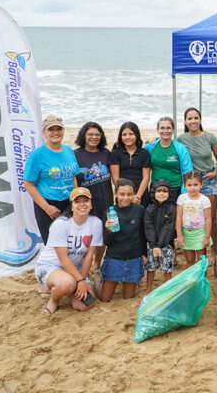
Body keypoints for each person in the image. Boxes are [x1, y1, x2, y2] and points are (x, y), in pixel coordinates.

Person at [33, 187, 102, 317]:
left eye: (86, 201)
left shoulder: (96, 223)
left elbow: (88, 257)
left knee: (84, 305)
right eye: (77, 201)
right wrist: (80, 281)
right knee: (67, 283)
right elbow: (63, 259)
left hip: (76, 267)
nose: (82, 204)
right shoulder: (61, 224)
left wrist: (81, 280)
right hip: (51, 265)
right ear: (71, 206)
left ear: (91, 204)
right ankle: (54, 301)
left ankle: (71, 288)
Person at [24, 115, 79, 244]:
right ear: (44, 132)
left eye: (59, 129)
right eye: (51, 129)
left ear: (63, 131)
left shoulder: (69, 151)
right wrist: (47, 207)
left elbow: (73, 177)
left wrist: (75, 200)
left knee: (70, 242)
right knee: (53, 245)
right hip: (47, 205)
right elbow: (28, 184)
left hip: (68, 204)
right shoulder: (37, 155)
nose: (55, 132)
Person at [176, 108, 217, 262]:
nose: (193, 121)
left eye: (196, 118)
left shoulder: (210, 137)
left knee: (211, 218)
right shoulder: (181, 139)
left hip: (208, 179)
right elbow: (169, 147)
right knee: (190, 215)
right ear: (185, 121)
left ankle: (213, 251)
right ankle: (190, 246)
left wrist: (215, 172)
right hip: (190, 182)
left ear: (200, 120)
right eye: (190, 118)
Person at [96, 179, 146, 302]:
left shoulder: (139, 210)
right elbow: (107, 242)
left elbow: (143, 234)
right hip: (115, 258)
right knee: (105, 298)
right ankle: (97, 280)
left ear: (134, 194)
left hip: (133, 258)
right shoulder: (109, 212)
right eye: (122, 194)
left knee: (128, 297)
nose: (125, 197)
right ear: (115, 194)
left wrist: (144, 254)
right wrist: (109, 230)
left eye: (129, 194)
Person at [74, 121, 113, 267]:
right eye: (90, 134)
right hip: (86, 203)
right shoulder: (75, 154)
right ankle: (84, 265)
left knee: (103, 235)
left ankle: (97, 264)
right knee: (87, 235)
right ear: (84, 135)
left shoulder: (106, 153)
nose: (94, 137)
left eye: (97, 134)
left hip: (105, 200)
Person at [144, 116, 193, 204]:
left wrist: (185, 192)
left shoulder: (180, 148)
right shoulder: (151, 146)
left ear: (173, 129)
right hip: (156, 189)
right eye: (162, 128)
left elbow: (188, 171)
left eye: (168, 128)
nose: (165, 131)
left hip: (175, 189)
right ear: (157, 130)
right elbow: (139, 155)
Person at [143, 180, 177, 294]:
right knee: (151, 267)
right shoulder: (149, 209)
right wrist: (154, 245)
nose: (161, 193)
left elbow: (169, 227)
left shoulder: (172, 209)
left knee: (167, 267)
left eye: (165, 191)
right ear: (153, 193)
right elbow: (148, 227)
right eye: (158, 191)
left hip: (166, 244)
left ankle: (167, 289)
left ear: (169, 193)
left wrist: (160, 244)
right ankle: (148, 289)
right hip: (151, 244)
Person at [176, 171, 212, 268]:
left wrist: (206, 237)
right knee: (189, 260)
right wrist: (179, 235)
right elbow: (178, 217)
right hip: (186, 233)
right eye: (189, 185)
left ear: (201, 184)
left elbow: (208, 219)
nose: (192, 188)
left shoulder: (204, 200)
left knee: (201, 261)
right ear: (185, 185)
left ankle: (201, 283)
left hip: (200, 233)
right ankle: (191, 282)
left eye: (196, 185)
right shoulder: (181, 198)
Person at [110, 121, 151, 206]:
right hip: (122, 196)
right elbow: (115, 178)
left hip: (141, 195)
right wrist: (128, 196)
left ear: (136, 135)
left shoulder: (144, 153)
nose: (127, 137)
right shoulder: (115, 153)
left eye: (131, 134)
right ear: (120, 137)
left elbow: (146, 177)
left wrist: (137, 196)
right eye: (124, 134)